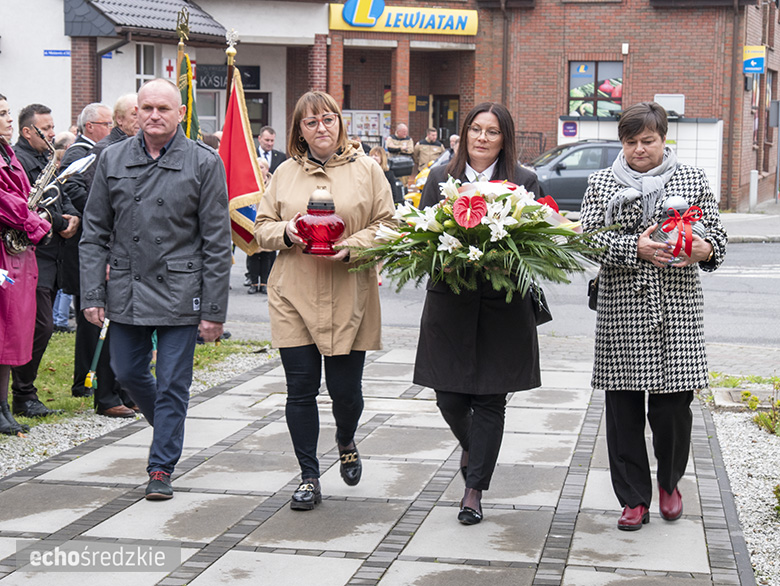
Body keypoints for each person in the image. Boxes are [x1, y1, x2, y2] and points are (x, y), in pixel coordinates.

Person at [80, 78, 232, 500]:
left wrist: (214, 310)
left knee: (171, 383)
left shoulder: (203, 162)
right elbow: (94, 233)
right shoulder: (112, 158)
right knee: (128, 372)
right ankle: (168, 422)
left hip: (183, 290)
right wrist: (92, 293)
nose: (153, 115)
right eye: (145, 108)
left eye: (163, 108)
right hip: (127, 287)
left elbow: (217, 242)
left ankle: (161, 467)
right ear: (135, 114)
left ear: (180, 113)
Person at [580, 101, 727, 531]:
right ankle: (633, 499)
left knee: (673, 411)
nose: (639, 150)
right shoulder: (603, 183)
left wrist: (705, 249)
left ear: (664, 139)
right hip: (621, 310)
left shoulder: (692, 178)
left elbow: (717, 235)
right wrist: (634, 248)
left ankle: (669, 481)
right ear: (621, 144)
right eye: (630, 143)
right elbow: (587, 241)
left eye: (647, 141)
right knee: (622, 410)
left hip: (676, 310)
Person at [255, 90, 394, 511]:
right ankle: (309, 476)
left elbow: (390, 225)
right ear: (300, 130)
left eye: (328, 119)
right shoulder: (284, 173)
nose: (321, 128)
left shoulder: (367, 170)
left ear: (340, 122)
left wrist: (352, 243)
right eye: (311, 122)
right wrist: (287, 232)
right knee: (300, 389)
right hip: (293, 291)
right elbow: (260, 227)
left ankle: (346, 437)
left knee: (345, 391)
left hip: (349, 291)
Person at [415, 102, 542, 525]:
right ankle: (476, 447)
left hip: (503, 307)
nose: (482, 138)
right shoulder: (440, 178)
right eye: (475, 129)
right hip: (450, 301)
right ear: (464, 133)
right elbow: (422, 239)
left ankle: (473, 490)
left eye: (492, 131)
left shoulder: (524, 182)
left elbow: (538, 248)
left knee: (490, 397)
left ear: (504, 138)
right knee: (448, 396)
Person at [68, 96, 139, 418]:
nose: (144, 120)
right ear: (122, 120)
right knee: (107, 328)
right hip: (113, 254)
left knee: (129, 328)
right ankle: (106, 395)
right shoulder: (106, 152)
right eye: (137, 114)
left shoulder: (137, 149)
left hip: (132, 253)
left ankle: (125, 390)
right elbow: (100, 210)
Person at [11, 103, 79, 418]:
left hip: (52, 256)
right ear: (28, 132)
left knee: (40, 326)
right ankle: (23, 393)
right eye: (46, 129)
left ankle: (24, 392)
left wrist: (72, 217)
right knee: (41, 325)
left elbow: (60, 196)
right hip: (30, 256)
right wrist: (58, 222)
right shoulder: (18, 160)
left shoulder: (46, 158)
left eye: (53, 128)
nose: (53, 134)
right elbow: (26, 208)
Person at [0, 93, 52, 435]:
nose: (8, 119)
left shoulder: (6, 153)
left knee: (11, 330)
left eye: (7, 112)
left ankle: (3, 404)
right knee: (4, 328)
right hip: (6, 250)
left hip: (14, 251)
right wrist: (38, 224)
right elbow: (6, 201)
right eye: (2, 113)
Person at [247, 126, 288, 292]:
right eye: (267, 140)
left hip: (273, 210)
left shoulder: (281, 157)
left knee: (269, 251)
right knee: (253, 250)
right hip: (252, 210)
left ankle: (266, 281)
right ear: (260, 139)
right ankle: (252, 279)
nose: (270, 143)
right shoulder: (250, 155)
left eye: (272, 140)